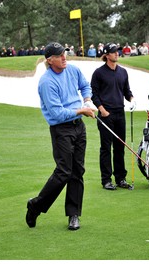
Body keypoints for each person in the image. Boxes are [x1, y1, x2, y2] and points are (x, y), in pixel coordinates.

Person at [25, 42, 97, 230]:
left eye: (64, 53)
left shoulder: (72, 70)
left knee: (77, 171)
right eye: (59, 55)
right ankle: (36, 205)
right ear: (50, 60)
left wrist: (87, 100)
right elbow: (57, 114)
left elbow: (85, 86)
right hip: (61, 129)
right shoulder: (47, 82)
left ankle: (74, 215)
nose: (64, 57)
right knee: (64, 171)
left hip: (78, 127)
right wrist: (82, 110)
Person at [91, 42, 136, 190]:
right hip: (106, 114)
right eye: (113, 52)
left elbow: (126, 91)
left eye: (117, 51)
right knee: (106, 148)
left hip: (119, 113)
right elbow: (94, 95)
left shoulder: (123, 72)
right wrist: (102, 110)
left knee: (120, 147)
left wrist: (132, 99)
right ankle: (106, 180)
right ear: (106, 55)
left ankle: (120, 178)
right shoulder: (99, 73)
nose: (117, 53)